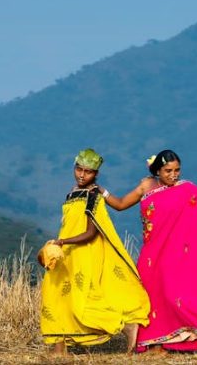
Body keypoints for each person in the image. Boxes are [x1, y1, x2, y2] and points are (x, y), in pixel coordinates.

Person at [103, 149, 197, 353]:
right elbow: (121, 204)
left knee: (174, 294)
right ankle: (158, 342)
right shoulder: (146, 186)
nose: (173, 175)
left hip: (177, 254)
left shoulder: (186, 189)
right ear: (158, 170)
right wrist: (101, 192)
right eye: (168, 171)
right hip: (152, 252)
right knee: (152, 295)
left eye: (177, 170)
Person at [39, 149, 150, 354]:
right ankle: (59, 347)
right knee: (55, 294)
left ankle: (125, 326)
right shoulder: (72, 193)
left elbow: (90, 233)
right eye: (79, 169)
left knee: (81, 300)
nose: (82, 175)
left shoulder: (92, 196)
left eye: (88, 172)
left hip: (82, 253)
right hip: (66, 254)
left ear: (96, 174)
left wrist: (62, 241)